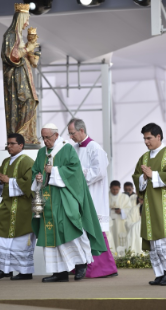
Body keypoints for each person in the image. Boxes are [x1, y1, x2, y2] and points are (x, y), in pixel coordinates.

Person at [31, 123, 107, 283]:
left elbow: (75, 171)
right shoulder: (40, 153)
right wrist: (38, 177)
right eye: (43, 138)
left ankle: (81, 264)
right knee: (51, 235)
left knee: (71, 229)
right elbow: (36, 171)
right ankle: (59, 272)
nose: (45, 141)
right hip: (47, 200)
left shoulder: (67, 149)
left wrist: (54, 171)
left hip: (64, 198)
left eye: (48, 138)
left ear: (56, 136)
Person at [67, 118, 117, 278]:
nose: (71, 137)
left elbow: (100, 172)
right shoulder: (74, 148)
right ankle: (81, 266)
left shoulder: (95, 148)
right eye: (69, 134)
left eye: (72, 133)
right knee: (80, 232)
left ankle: (105, 268)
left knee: (94, 231)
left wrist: (78, 173)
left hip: (93, 196)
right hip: (78, 196)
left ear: (81, 130)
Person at [0, 133, 35, 280]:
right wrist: (0, 181)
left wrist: (10, 180)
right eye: (7, 144)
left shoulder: (28, 162)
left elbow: (30, 183)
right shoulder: (6, 161)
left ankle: (25, 272)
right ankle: (5, 269)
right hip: (7, 204)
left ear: (21, 145)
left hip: (23, 206)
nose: (8, 146)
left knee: (21, 240)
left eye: (12, 143)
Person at [1, 3, 40, 145]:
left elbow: (31, 60)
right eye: (26, 19)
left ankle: (27, 135)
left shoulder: (19, 36)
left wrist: (32, 51)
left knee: (30, 102)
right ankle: (20, 135)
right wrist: (27, 48)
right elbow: (11, 56)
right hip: (16, 78)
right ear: (21, 18)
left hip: (24, 76)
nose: (27, 23)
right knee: (25, 102)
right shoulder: (11, 35)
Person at [132, 123, 166, 286]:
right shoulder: (144, 158)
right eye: (144, 138)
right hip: (149, 206)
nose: (146, 141)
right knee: (153, 244)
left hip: (163, 207)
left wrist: (153, 174)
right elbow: (136, 176)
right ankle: (159, 274)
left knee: (163, 242)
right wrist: (143, 178)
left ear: (158, 137)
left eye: (149, 138)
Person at [109, 181, 132, 248]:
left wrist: (121, 211)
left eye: (117, 189)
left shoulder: (125, 197)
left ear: (120, 188)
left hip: (120, 223)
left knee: (120, 241)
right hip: (109, 222)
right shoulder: (105, 196)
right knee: (110, 238)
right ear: (110, 188)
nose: (115, 191)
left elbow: (130, 210)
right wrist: (110, 209)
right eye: (113, 189)